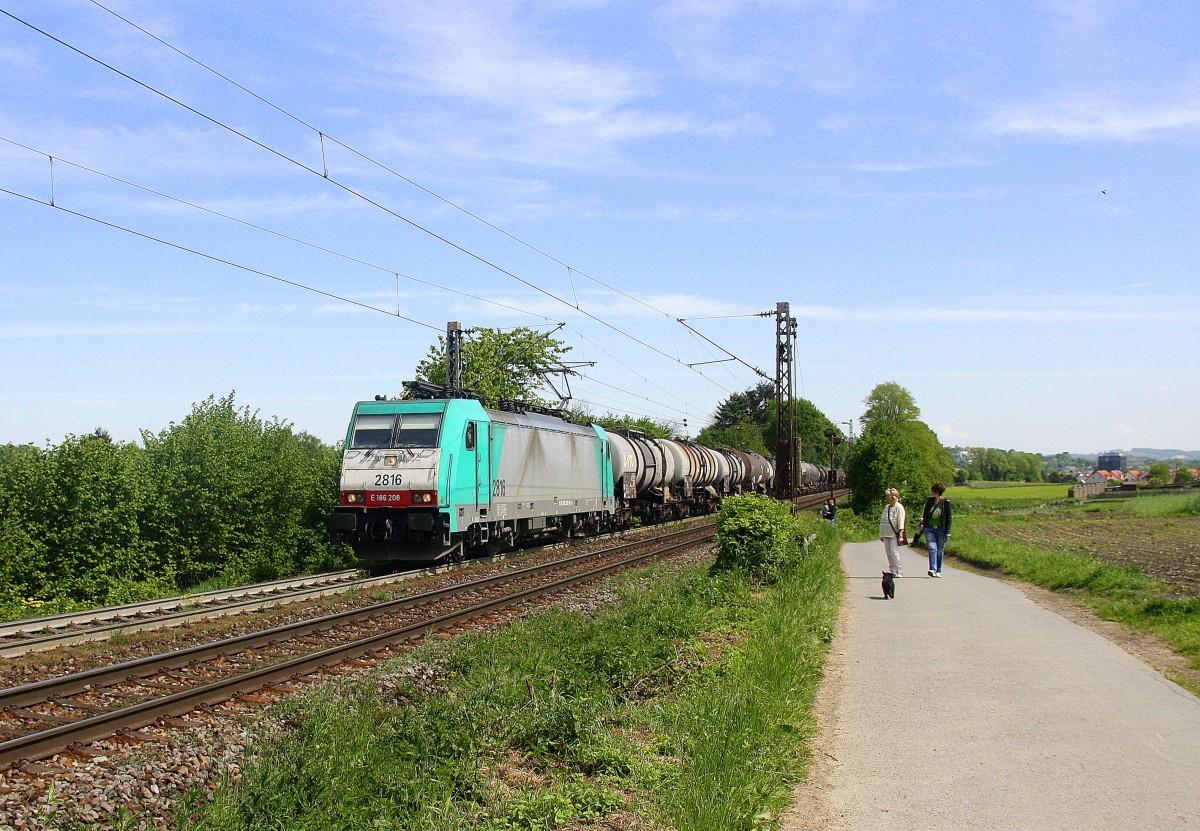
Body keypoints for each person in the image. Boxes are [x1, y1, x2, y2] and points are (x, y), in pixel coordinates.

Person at [919, 482, 952, 577]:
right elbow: (925, 513)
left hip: (941, 529)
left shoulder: (946, 502)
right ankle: (932, 569)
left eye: (932, 490)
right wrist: (924, 524)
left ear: (936, 491)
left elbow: (949, 518)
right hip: (930, 529)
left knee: (940, 551)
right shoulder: (930, 501)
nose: (931, 492)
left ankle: (939, 570)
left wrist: (948, 531)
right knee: (932, 548)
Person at [878, 488, 906, 577]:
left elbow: (901, 521)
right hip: (886, 533)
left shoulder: (899, 507)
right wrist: (881, 534)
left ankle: (899, 570)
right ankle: (892, 570)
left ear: (893, 497)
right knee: (888, 552)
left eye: (888, 496)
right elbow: (882, 521)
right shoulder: (887, 507)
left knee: (894, 552)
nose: (886, 498)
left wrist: (900, 535)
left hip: (894, 533)